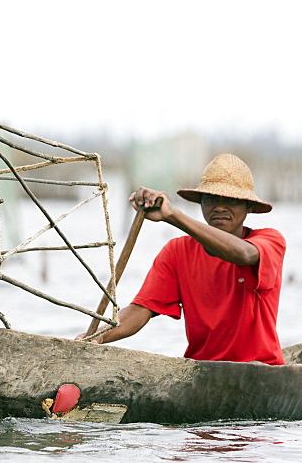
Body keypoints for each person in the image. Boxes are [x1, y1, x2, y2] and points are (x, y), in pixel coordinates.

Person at [82, 153, 286, 365]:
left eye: (231, 200)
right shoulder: (177, 251)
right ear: (201, 203)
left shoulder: (270, 241)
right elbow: (140, 310)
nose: (220, 207)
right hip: (203, 369)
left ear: (249, 207)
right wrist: (98, 336)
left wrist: (172, 216)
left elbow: (243, 254)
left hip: (261, 368)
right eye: (211, 199)